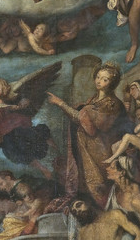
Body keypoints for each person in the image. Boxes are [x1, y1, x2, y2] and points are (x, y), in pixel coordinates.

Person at [47, 61, 126, 207]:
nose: (99, 81)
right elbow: (83, 116)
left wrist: (60, 103)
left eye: (105, 79)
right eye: (98, 77)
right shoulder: (94, 99)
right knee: (84, 181)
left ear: (112, 83)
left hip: (99, 149)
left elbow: (87, 123)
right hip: (86, 147)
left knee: (98, 183)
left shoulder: (112, 104)